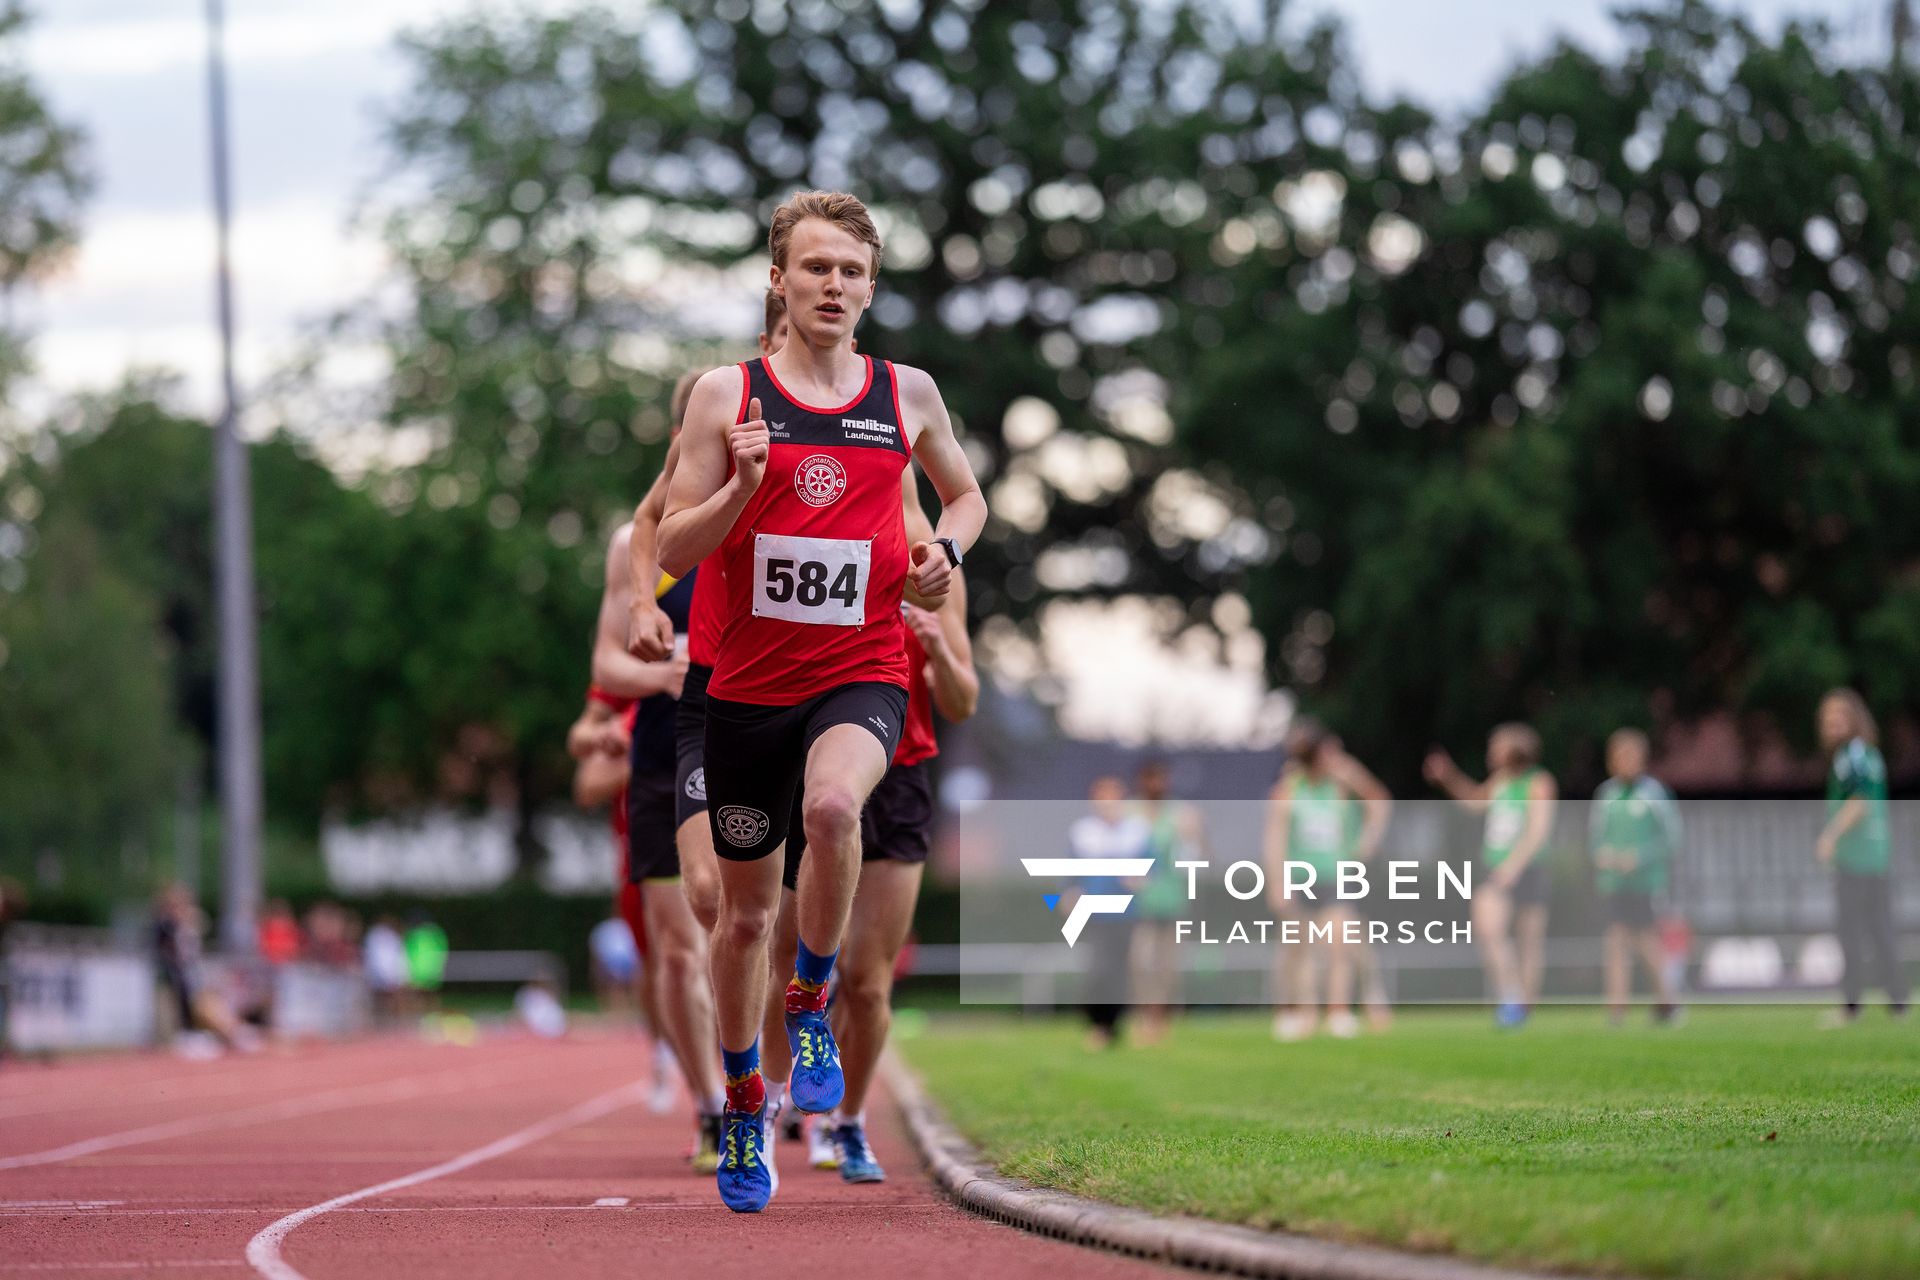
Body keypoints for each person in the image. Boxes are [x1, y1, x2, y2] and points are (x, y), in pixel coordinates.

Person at [657, 190, 986, 1213]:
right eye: (815, 268)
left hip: (863, 671)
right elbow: (670, 549)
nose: (833, 285)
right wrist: (739, 491)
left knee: (837, 807)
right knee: (742, 916)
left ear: (871, 285)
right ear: (778, 280)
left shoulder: (909, 392)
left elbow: (967, 495)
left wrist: (944, 552)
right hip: (749, 691)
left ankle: (812, 998)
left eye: (850, 270)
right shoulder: (727, 395)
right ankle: (747, 1099)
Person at [587, 395, 731, 1169]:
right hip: (659, 755)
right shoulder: (633, 546)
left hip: (744, 744)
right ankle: (711, 1103)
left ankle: (757, 1090)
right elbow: (605, 663)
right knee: (677, 949)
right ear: (681, 435)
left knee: (744, 930)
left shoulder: (750, 521)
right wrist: (658, 673)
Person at [1264, 718, 1392, 1041]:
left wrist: (1367, 841)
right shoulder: (1289, 787)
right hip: (1300, 876)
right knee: (1300, 947)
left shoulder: (1343, 777)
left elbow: (1379, 801)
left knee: (1340, 942)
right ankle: (1304, 1013)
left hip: (1337, 873)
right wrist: (1277, 881)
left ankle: (1338, 1012)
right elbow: (1275, 838)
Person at [1425, 724, 1557, 1027]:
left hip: (1528, 868)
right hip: (1494, 868)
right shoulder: (1499, 781)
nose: (1490, 751)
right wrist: (1448, 777)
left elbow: (1538, 830)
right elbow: (1474, 802)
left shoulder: (1539, 782)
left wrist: (1515, 864)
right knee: (1487, 928)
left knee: (1529, 942)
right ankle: (1510, 996)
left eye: (1496, 746)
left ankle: (1525, 1008)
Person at [1815, 688, 1908, 1023]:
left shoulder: (1851, 756)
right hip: (1876, 856)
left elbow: (1859, 802)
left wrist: (1830, 836)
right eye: (1827, 717)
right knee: (1880, 930)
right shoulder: (1867, 753)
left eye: (1838, 716)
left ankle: (1851, 1005)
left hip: (1857, 858)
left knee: (1851, 932)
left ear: (1854, 719)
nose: (1830, 723)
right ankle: (1898, 1001)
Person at [1589, 728, 1683, 1025]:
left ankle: (1667, 1002)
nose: (1626, 762)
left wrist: (1640, 858)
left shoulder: (1653, 793)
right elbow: (1595, 837)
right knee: (1615, 940)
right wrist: (1603, 855)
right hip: (1614, 883)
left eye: (1632, 756)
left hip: (1646, 882)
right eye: (1620, 756)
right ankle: (1617, 1009)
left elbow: (1673, 838)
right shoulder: (1606, 794)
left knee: (1646, 941)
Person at [1068, 776, 1153, 1049]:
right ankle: (1098, 1025)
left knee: (1122, 972)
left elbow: (1153, 867)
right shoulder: (1082, 833)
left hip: (1127, 913)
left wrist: (1141, 877)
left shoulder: (1137, 832)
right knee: (1099, 970)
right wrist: (1069, 892)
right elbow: (1070, 872)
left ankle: (1114, 1027)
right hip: (1094, 912)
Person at [1127, 761, 1202, 1047]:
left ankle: (1161, 1018)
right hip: (1136, 904)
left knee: (1168, 967)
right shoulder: (1128, 813)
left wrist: (1193, 835)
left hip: (1171, 901)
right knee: (1141, 961)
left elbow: (1194, 860)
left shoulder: (1181, 814)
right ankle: (1142, 1016)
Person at [362, 915, 410, 1023]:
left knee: (392, 999)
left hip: (388, 973)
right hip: (384, 973)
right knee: (382, 999)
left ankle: (394, 1022)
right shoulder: (378, 936)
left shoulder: (387, 936)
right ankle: (383, 1022)